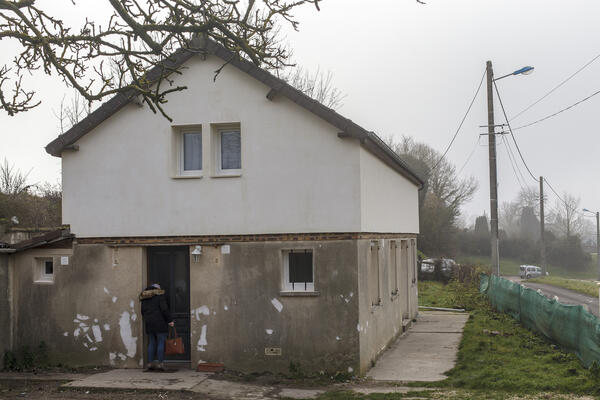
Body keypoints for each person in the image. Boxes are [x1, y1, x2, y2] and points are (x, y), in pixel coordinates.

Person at [139, 283, 174, 371]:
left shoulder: (144, 297)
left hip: (149, 323)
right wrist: (170, 320)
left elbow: (142, 312)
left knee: (151, 342)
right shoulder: (160, 296)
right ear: (157, 289)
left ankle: (150, 363)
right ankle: (160, 364)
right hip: (160, 323)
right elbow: (164, 309)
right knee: (161, 342)